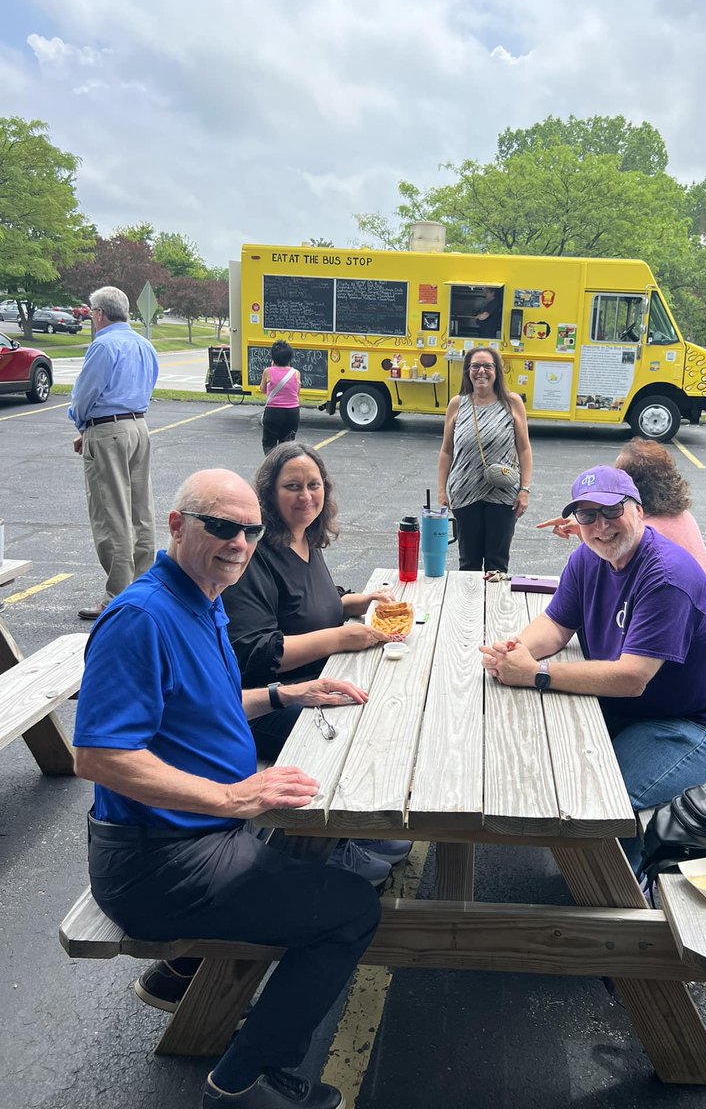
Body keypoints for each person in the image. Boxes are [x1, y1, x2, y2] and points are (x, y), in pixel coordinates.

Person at [73, 468, 380, 1109]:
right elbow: (99, 756)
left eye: (249, 530)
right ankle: (243, 1082)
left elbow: (203, 706)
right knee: (351, 910)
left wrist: (283, 693)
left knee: (311, 850)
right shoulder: (141, 618)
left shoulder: (203, 596)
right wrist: (235, 799)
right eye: (222, 526)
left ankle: (181, 975)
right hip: (158, 861)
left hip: (193, 837)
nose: (239, 542)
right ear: (178, 525)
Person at [481, 464, 706, 872]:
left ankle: (626, 891)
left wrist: (535, 674)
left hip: (690, 725)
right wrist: (516, 650)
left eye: (610, 511)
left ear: (637, 509)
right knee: (543, 757)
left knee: (599, 801)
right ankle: (592, 870)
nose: (600, 526)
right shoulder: (588, 557)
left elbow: (631, 678)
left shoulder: (666, 576)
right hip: (626, 710)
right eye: (586, 515)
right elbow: (555, 624)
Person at [222, 442, 409, 882]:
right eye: (292, 487)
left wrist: (354, 602)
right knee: (345, 732)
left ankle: (354, 824)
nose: (306, 496)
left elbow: (313, 604)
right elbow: (259, 653)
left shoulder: (304, 539)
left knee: (388, 705)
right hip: (262, 702)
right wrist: (340, 638)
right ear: (269, 493)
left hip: (314, 680)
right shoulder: (256, 556)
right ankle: (326, 846)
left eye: (314, 485)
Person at [68, 286, 159, 621]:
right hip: (139, 426)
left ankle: (116, 596)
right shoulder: (144, 345)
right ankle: (144, 585)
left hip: (107, 429)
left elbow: (85, 395)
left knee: (111, 512)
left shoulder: (103, 344)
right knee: (141, 508)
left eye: (92, 311)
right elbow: (148, 385)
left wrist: (84, 426)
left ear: (100, 313)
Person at [536, 439, 706, 572]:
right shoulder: (683, 516)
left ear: (630, 484)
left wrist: (589, 529)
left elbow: (605, 571)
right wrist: (584, 524)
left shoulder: (642, 535)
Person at [437, 347, 533, 573]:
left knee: (497, 564)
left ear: (497, 371)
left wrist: (525, 490)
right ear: (468, 371)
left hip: (503, 496)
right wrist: (442, 490)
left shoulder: (512, 402)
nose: (481, 371)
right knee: (468, 563)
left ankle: (494, 609)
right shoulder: (457, 404)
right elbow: (446, 451)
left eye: (487, 366)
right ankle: (468, 609)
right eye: (475, 366)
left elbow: (525, 449)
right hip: (465, 493)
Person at [259, 341, 301, 455]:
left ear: (273, 357)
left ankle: (271, 466)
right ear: (290, 358)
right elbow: (297, 392)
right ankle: (284, 467)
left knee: (269, 442)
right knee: (288, 444)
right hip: (292, 412)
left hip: (273, 412)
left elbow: (262, 389)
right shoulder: (296, 373)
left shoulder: (268, 372)